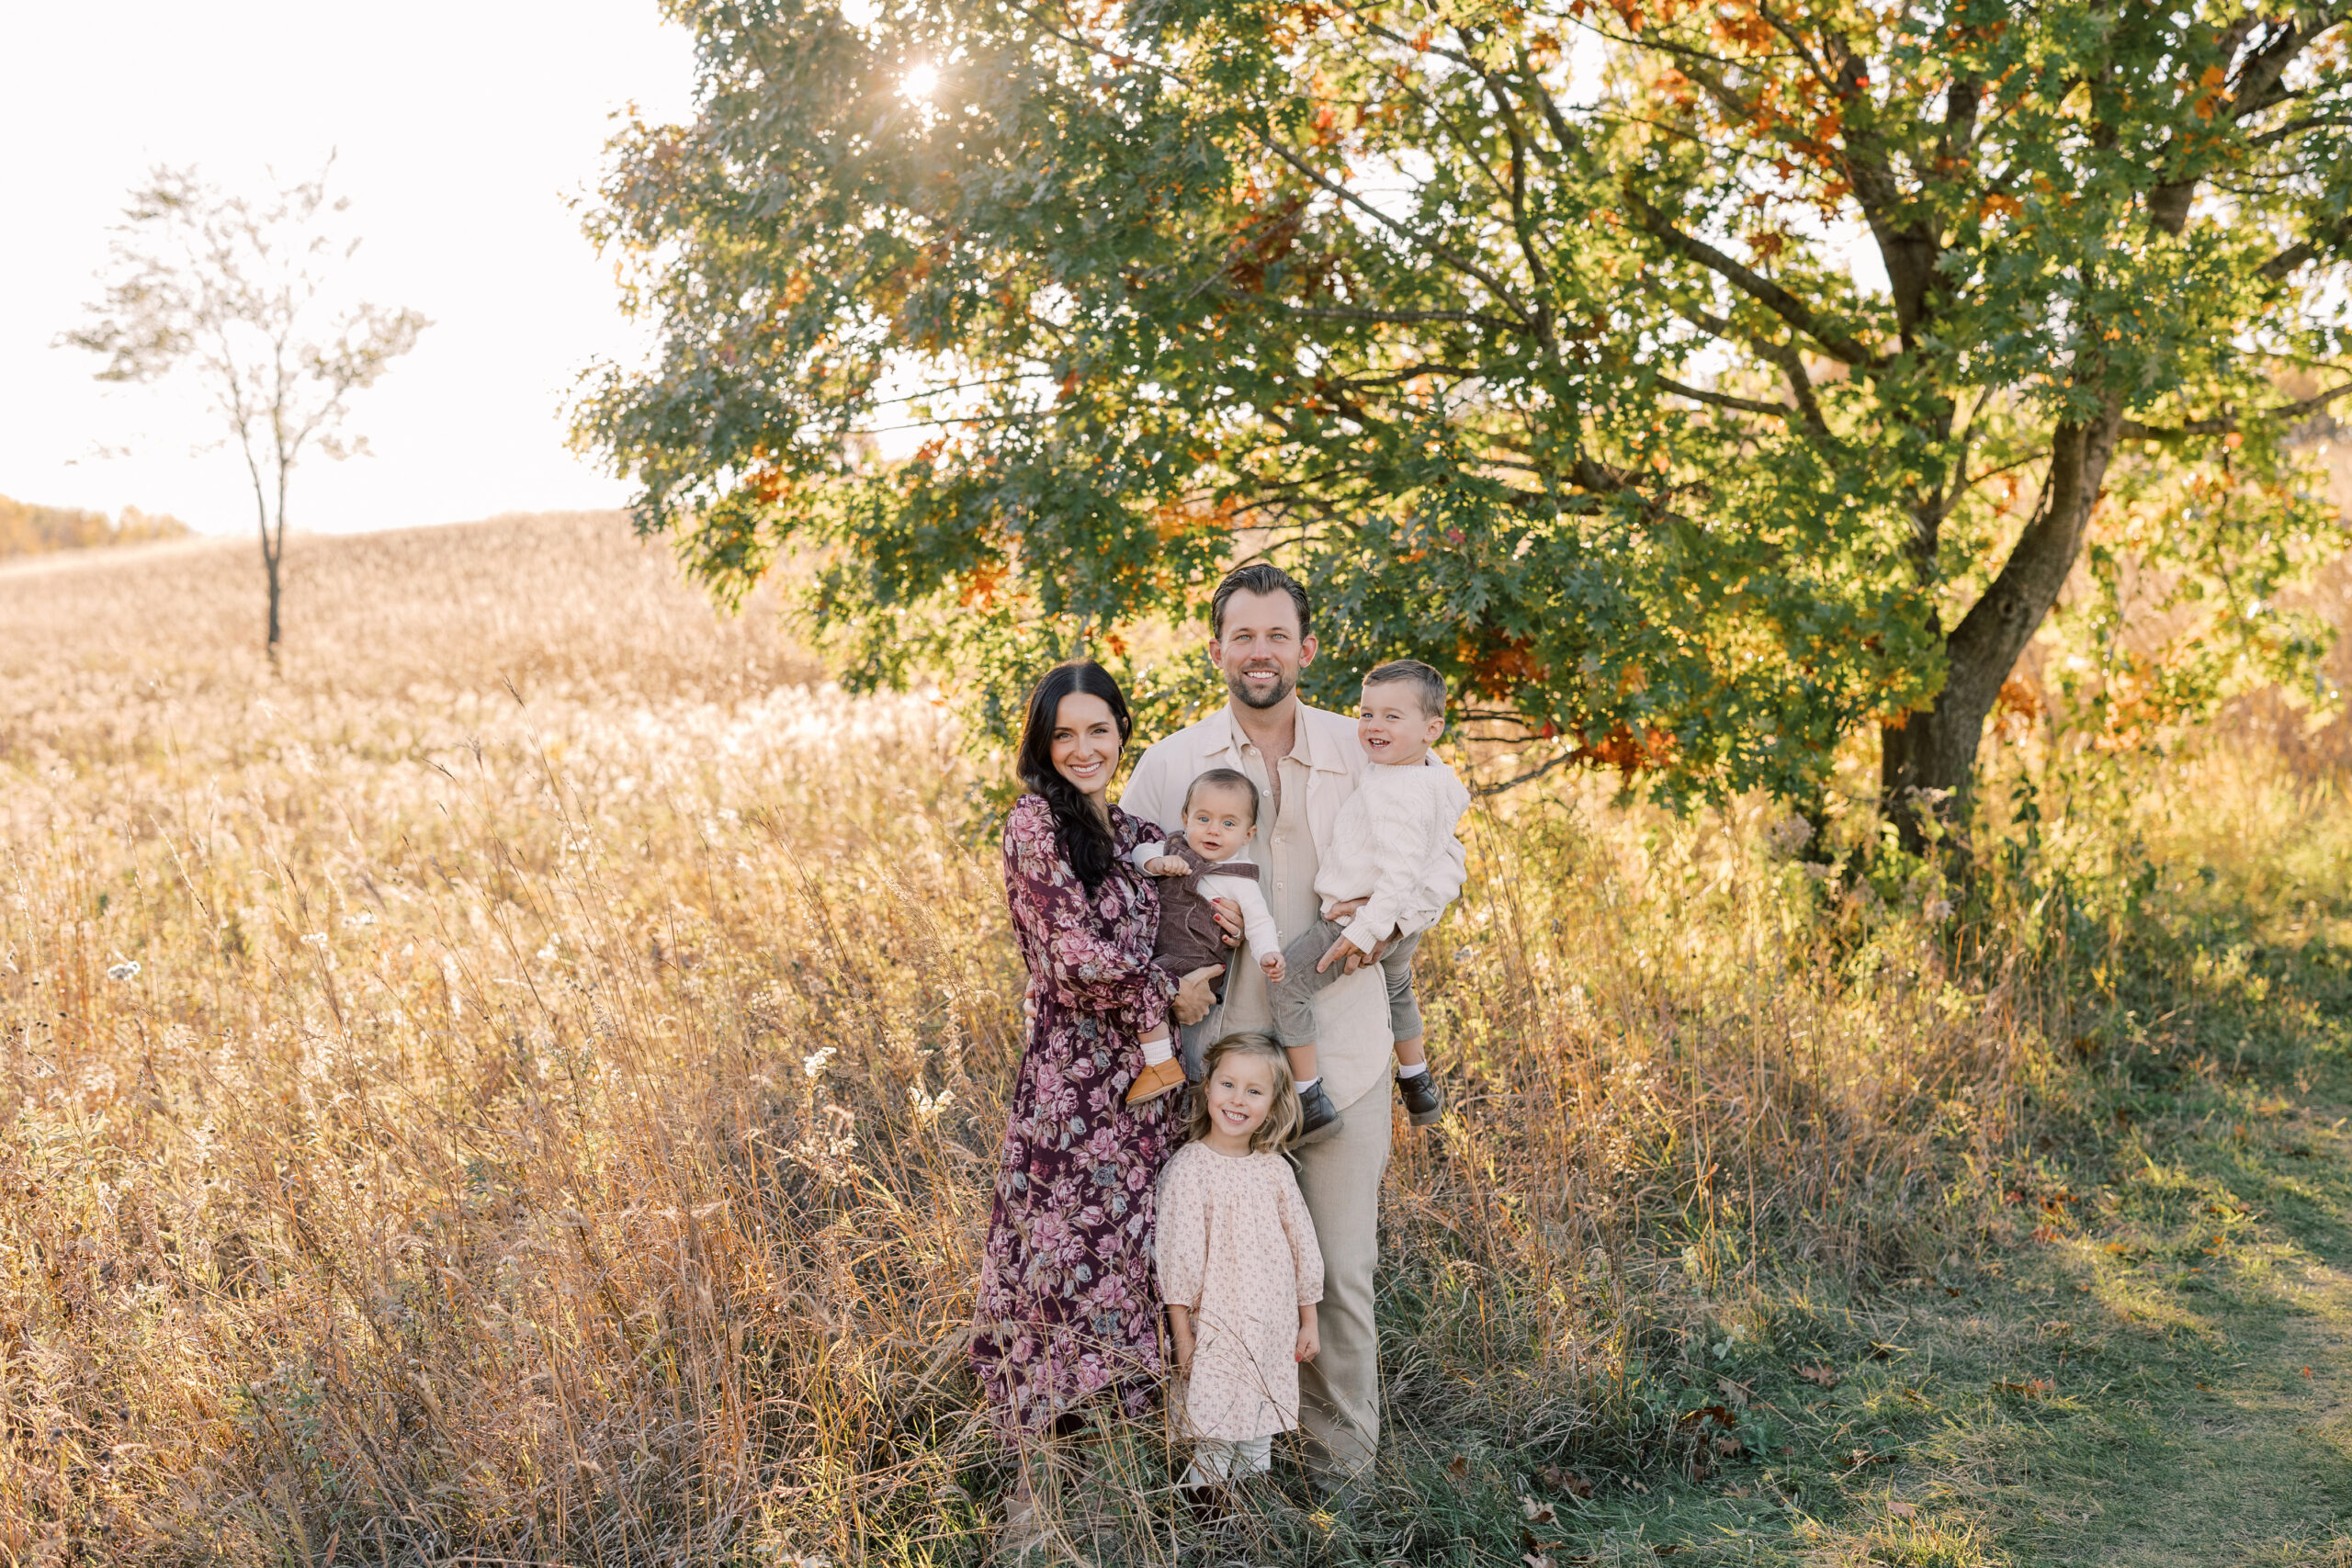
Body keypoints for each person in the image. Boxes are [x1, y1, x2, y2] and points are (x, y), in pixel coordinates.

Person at [1121, 562, 1464, 1495]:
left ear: (1305, 649)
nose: (1260, 651)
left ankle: (1344, 1486)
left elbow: (1446, 856)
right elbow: (1120, 895)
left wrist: (1383, 929)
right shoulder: (1169, 762)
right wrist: (1181, 946)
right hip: (1218, 1076)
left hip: (1342, 1057)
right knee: (1220, 1278)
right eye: (1243, 635)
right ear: (1217, 648)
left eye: (1278, 635)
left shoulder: (1367, 747)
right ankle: (1222, 1475)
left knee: (1342, 1275)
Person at [969, 660, 1227, 1536]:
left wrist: (1220, 921)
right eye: (1065, 733)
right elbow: (1073, 960)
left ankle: (1115, 1496)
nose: (1084, 747)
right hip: (1076, 1094)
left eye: (1099, 730)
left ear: (1122, 732)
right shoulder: (1033, 825)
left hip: (1145, 1095)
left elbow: (1196, 881)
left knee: (1130, 1272)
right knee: (1061, 1270)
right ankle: (1038, 1504)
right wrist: (1168, 989)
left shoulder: (1132, 829)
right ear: (1043, 744)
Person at [1267, 659, 1470, 1137]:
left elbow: (1399, 874)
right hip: (1405, 927)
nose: (1374, 727)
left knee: (1286, 985)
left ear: (1432, 728)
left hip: (1358, 921)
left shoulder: (1393, 792)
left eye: (1392, 717)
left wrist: (1365, 930)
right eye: (1366, 714)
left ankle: (1308, 1097)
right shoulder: (1433, 776)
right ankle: (1417, 1080)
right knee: (1398, 988)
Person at [1156, 1037, 1324, 1492]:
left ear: (1272, 1104)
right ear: (1207, 1088)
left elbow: (1302, 1247)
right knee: (1215, 1432)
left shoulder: (1274, 1170)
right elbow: (1178, 1261)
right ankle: (1210, 1532)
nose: (1237, 1099)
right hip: (1215, 1331)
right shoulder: (1188, 1168)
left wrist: (1308, 1322)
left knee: (1257, 1430)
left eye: (1254, 1090)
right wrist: (1182, 1335)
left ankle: (1253, 1527)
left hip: (1271, 1330)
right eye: (1228, 1084)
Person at [1125, 767, 1284, 1105]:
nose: (1213, 831)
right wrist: (1157, 864)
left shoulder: (1239, 879)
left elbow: (1259, 922)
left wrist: (1268, 953)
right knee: (1141, 982)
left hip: (1197, 961)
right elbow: (1138, 853)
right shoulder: (1173, 848)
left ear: (1247, 834)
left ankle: (1160, 1064)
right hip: (1161, 948)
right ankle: (1153, 1060)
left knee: (1149, 984)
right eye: (1203, 819)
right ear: (1186, 818)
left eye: (1229, 824)